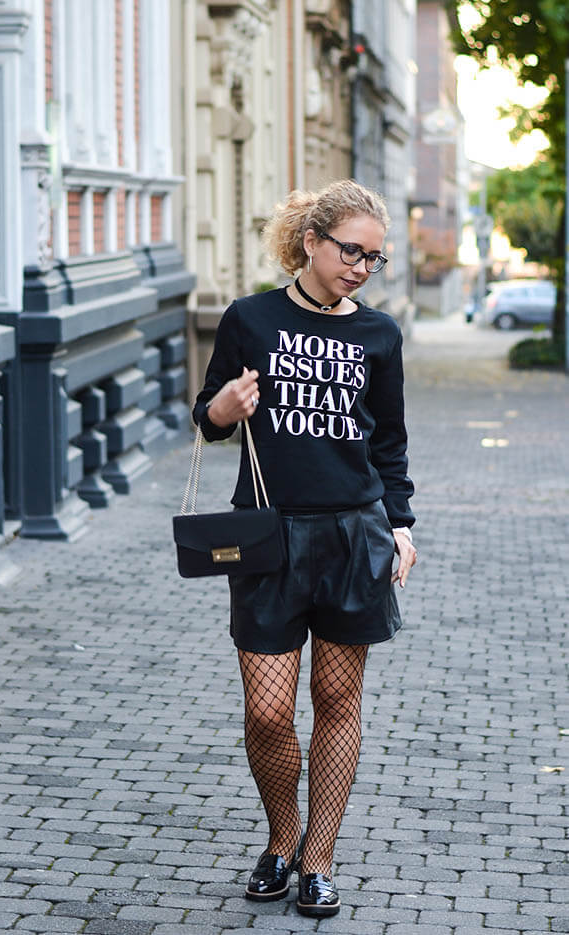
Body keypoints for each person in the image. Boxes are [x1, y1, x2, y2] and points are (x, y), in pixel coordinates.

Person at [192, 179, 417, 918]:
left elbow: (388, 441)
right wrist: (222, 408)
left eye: (373, 257)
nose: (360, 265)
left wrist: (402, 524)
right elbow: (211, 414)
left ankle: (317, 857)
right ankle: (281, 836)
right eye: (350, 249)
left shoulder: (379, 334)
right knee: (266, 712)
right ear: (312, 241)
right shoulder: (250, 319)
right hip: (268, 535)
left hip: (355, 533)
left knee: (338, 698)